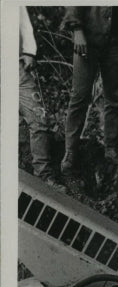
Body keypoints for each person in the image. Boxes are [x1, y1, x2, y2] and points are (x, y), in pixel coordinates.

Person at [61, 7, 118, 176]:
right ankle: (71, 150)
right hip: (88, 37)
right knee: (80, 96)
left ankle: (112, 147)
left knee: (115, 97)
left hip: (114, 40)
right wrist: (77, 30)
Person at [19, 7, 59, 185]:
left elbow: (21, 17)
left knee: (39, 118)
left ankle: (43, 176)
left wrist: (29, 51)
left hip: (17, 66)